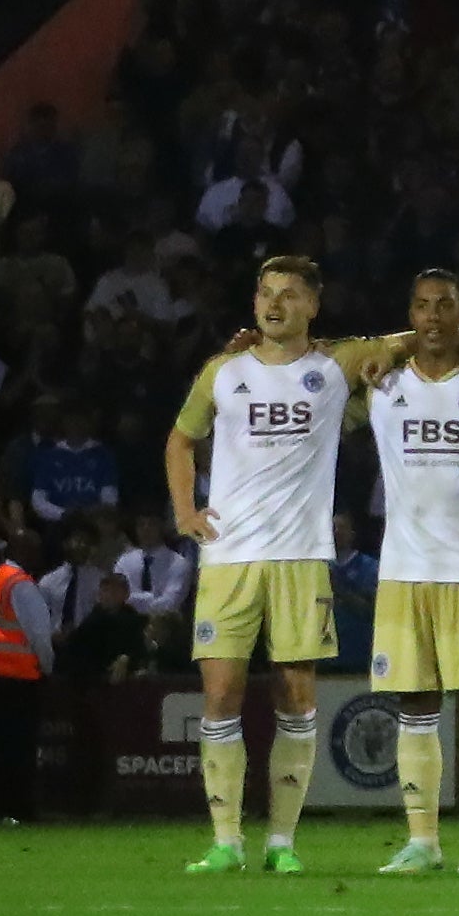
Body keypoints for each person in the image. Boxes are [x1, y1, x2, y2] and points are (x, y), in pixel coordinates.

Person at [324, 272, 459, 871]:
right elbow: (330, 359)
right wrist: (395, 346)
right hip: (403, 569)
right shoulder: (382, 384)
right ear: (408, 314)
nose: (433, 317)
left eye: (446, 307)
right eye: (421, 307)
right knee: (414, 706)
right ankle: (424, 841)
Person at [167, 254, 349, 872]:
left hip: (301, 556)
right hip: (230, 556)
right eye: (267, 293)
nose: (275, 304)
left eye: (290, 294)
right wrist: (186, 510)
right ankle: (225, 841)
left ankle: (282, 842)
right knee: (220, 694)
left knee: (296, 698)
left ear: (312, 306)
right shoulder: (223, 371)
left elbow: (409, 342)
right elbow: (180, 439)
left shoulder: (334, 369)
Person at [0, 513, 50, 822]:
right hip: (19, 677)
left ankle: (3, 809)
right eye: (34, 549)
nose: (39, 555)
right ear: (23, 551)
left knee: (2, 747)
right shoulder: (21, 584)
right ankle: (21, 810)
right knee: (20, 748)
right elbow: (39, 635)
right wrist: (47, 666)